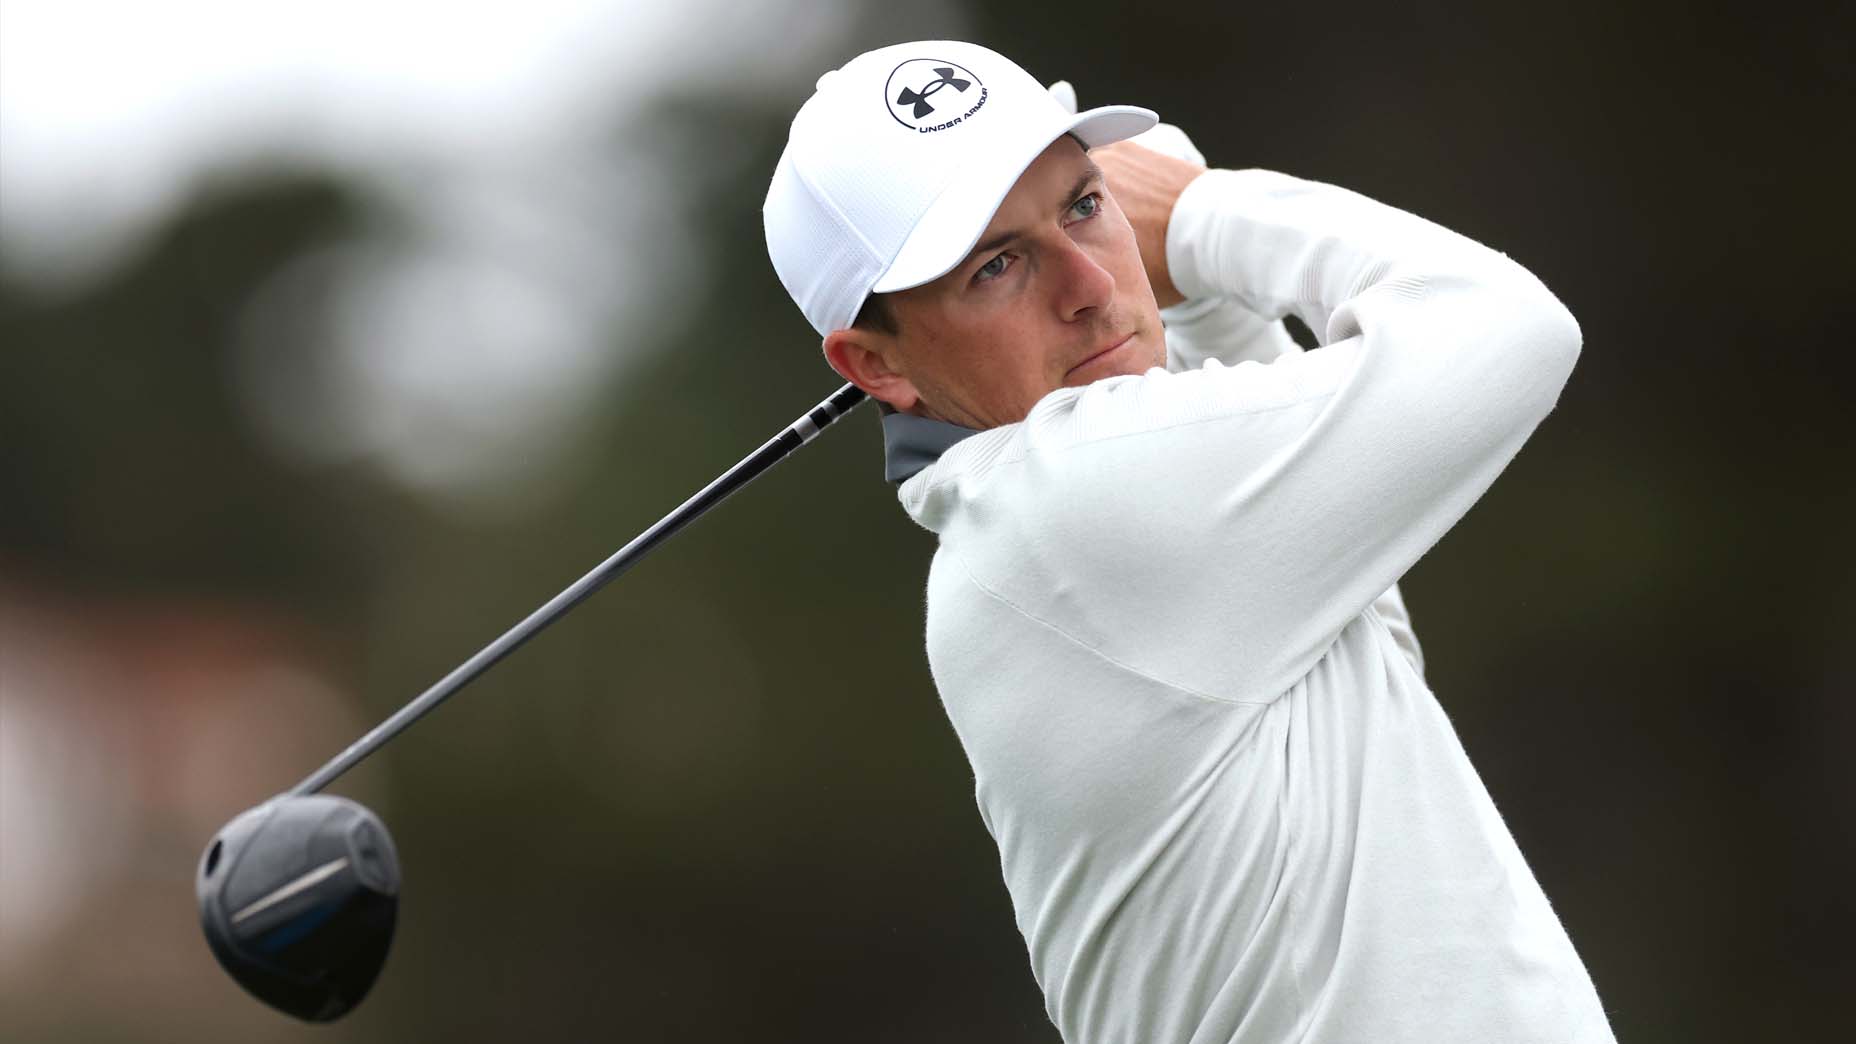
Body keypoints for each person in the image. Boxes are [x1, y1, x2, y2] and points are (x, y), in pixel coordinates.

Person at [763, 40, 1615, 1044]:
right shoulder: (1077, 512)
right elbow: (1509, 329)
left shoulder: (1076, 521)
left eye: (1082, 205)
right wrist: (1206, 217)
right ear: (874, 365)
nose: (1085, 283)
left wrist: (1202, 298)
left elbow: (1288, 468)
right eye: (997, 265)